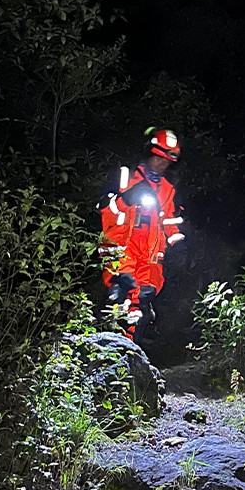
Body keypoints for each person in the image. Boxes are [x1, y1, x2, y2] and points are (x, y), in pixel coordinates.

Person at [97, 127, 185, 343]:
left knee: (141, 308)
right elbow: (104, 210)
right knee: (116, 300)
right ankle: (101, 347)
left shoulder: (168, 189)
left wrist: (178, 241)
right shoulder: (126, 178)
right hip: (122, 252)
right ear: (150, 152)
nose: (162, 163)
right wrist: (126, 199)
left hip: (150, 258)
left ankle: (129, 355)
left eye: (167, 160)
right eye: (158, 157)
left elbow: (169, 221)